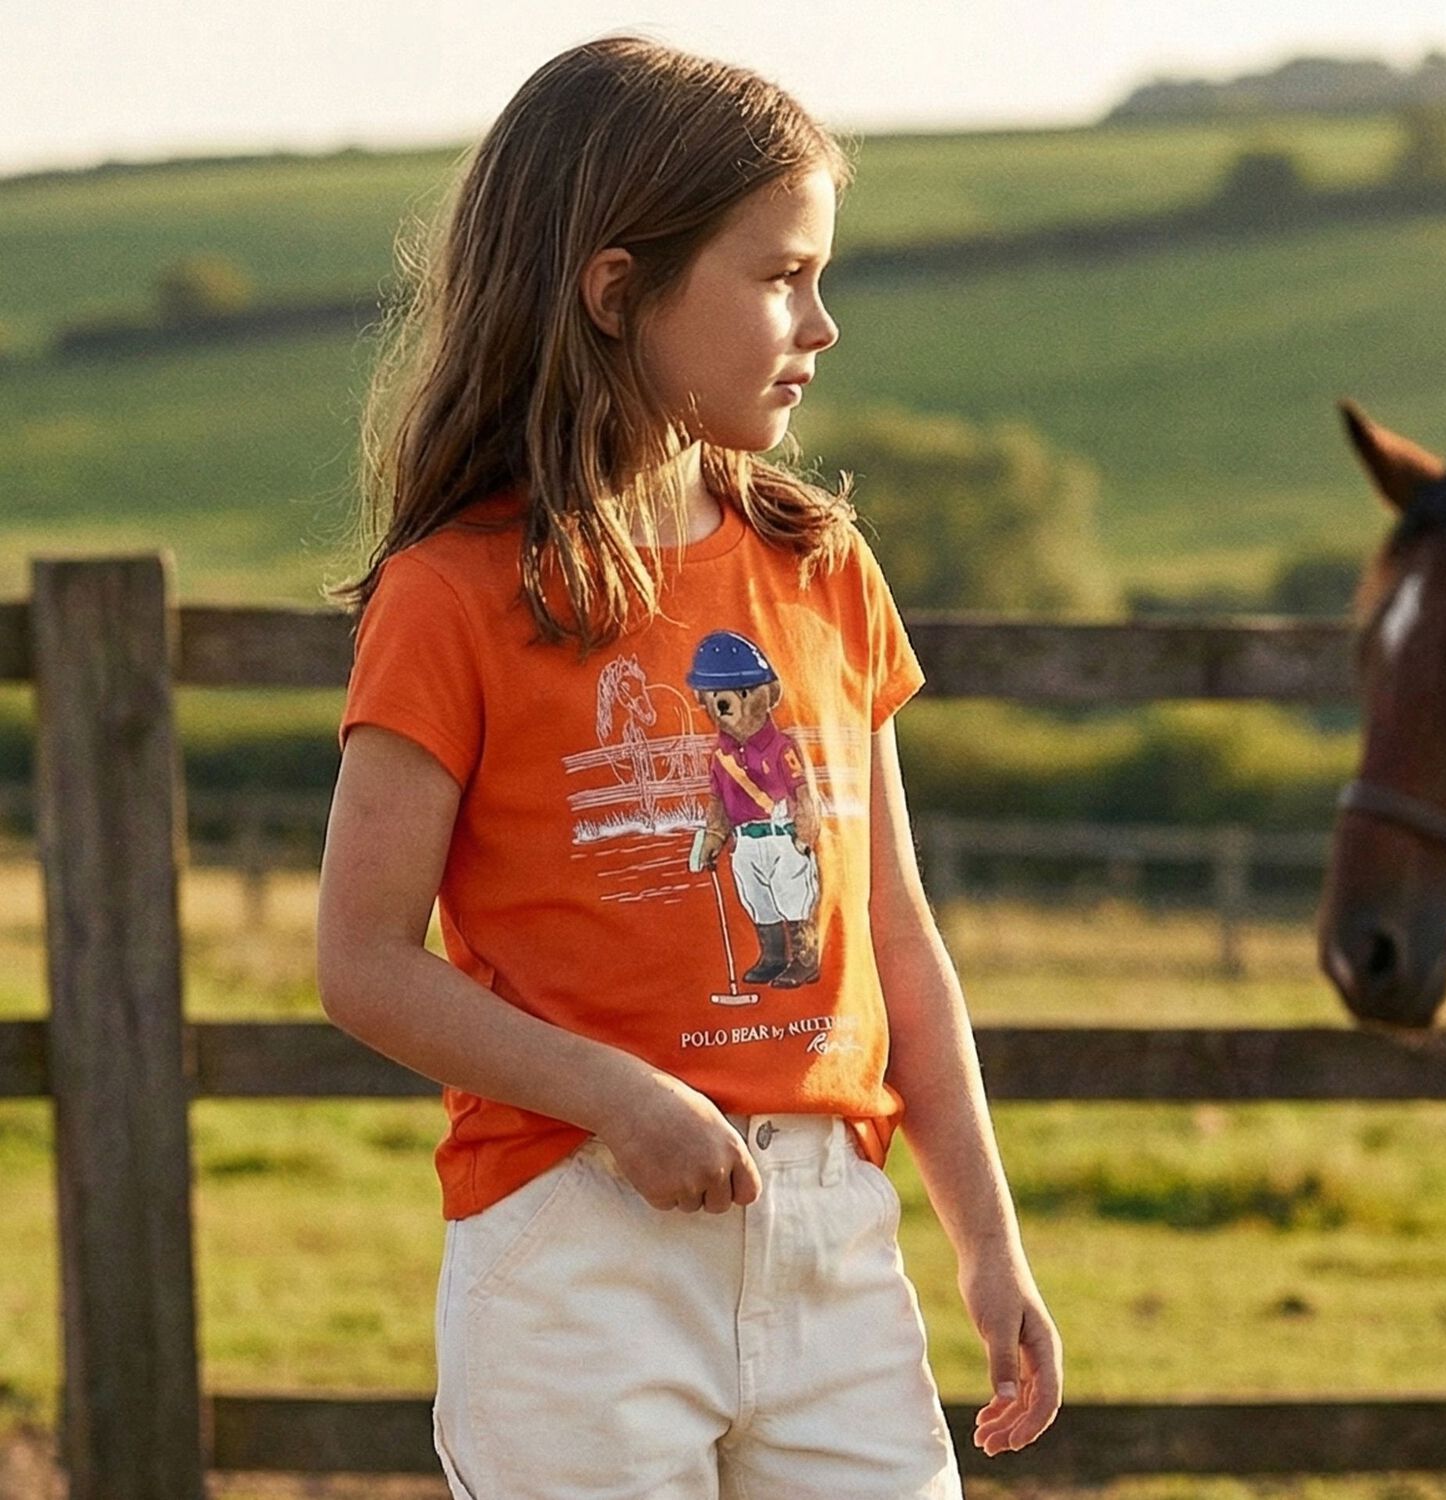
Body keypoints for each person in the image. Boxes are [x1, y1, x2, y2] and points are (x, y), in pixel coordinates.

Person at [316, 34, 1061, 1500]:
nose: (823, 322)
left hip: (835, 1242)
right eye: (781, 276)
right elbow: (361, 961)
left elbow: (897, 941)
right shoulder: (453, 592)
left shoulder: (824, 568)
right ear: (615, 291)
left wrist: (988, 1245)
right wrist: (622, 1099)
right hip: (574, 1247)